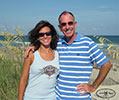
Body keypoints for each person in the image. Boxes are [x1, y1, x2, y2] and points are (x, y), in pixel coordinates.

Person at [24, 11, 112, 100]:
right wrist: (34, 46)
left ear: (75, 24)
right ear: (60, 27)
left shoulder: (87, 43)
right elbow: (45, 44)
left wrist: (93, 87)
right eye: (63, 24)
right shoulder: (58, 44)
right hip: (59, 97)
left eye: (70, 23)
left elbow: (107, 65)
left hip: (80, 97)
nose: (67, 27)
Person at [18, 20, 59, 100]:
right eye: (41, 34)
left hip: (51, 98)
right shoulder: (31, 55)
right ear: (37, 37)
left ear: (52, 35)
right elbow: (23, 79)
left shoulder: (58, 54)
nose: (45, 37)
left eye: (48, 33)